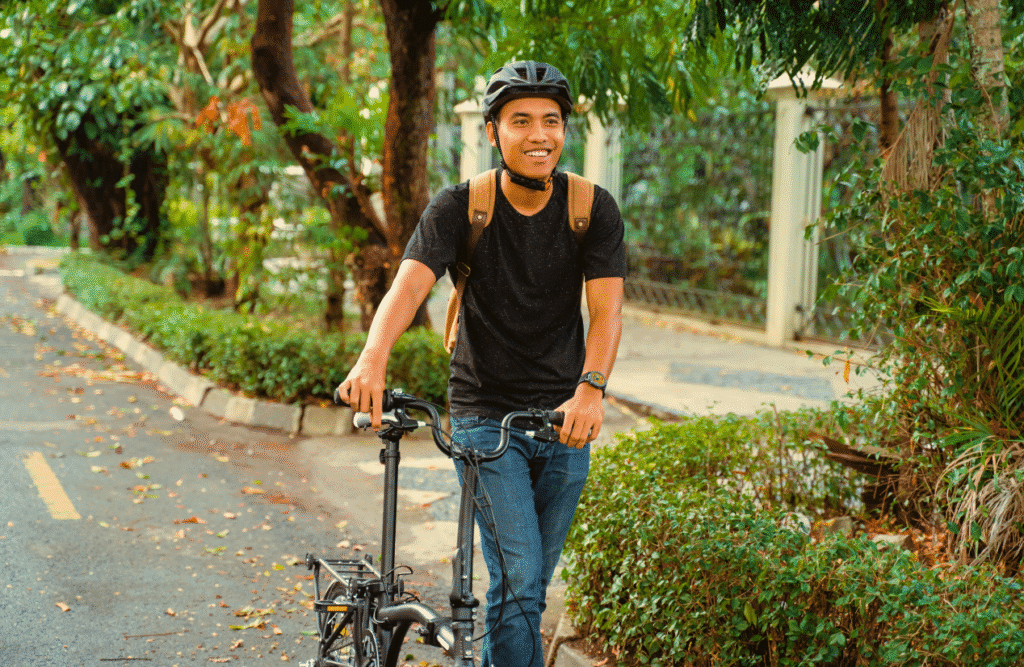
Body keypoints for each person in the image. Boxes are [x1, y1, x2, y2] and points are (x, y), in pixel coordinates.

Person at [337, 60, 625, 667]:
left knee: (528, 588)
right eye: (521, 121)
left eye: (551, 120)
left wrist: (591, 390)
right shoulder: (461, 207)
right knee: (519, 577)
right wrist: (371, 359)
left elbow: (606, 314)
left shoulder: (590, 208)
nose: (539, 134)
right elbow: (409, 287)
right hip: (483, 416)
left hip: (566, 419)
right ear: (493, 131)